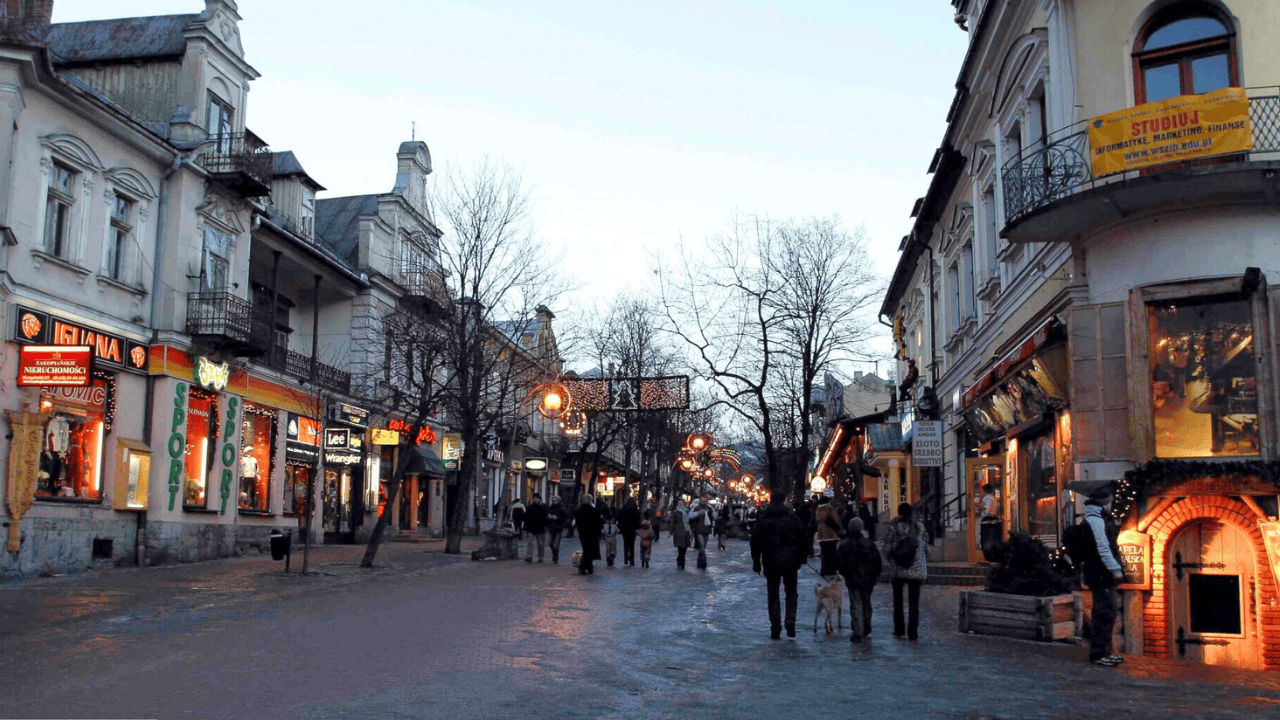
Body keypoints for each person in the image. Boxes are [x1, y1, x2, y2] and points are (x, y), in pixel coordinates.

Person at [750, 491, 810, 640]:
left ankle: (775, 627)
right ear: (784, 501)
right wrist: (802, 557)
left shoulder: (763, 519)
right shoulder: (792, 518)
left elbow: (755, 542)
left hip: (770, 561)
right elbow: (803, 538)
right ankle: (790, 622)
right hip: (790, 561)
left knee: (773, 594)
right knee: (791, 592)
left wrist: (756, 562)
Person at [1081, 485, 1126, 667]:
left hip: (1098, 572)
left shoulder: (1096, 518)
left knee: (1106, 612)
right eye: (1109, 502)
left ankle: (1106, 652)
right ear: (1104, 503)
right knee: (1104, 613)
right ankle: (1099, 654)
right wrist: (1115, 569)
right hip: (1100, 573)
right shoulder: (1096, 521)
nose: (1112, 505)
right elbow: (1103, 548)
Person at [836, 517, 882, 642]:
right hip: (868, 579)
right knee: (866, 602)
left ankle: (858, 630)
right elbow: (877, 562)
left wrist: (846, 573)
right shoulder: (869, 543)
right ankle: (866, 627)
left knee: (855, 604)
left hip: (852, 579)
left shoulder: (845, 545)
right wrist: (874, 575)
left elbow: (839, 563)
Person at [887, 502, 927, 640]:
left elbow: (888, 546)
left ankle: (899, 629)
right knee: (914, 602)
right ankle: (913, 632)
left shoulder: (894, 526)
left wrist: (892, 557)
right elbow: (924, 548)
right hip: (915, 568)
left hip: (898, 567)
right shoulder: (919, 527)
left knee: (898, 600)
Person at [814, 496, 842, 578]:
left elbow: (817, 520)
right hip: (831, 534)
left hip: (821, 535)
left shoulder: (818, 510)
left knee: (824, 553)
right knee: (832, 553)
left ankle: (824, 570)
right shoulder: (830, 508)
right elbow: (835, 519)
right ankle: (832, 570)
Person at [574, 495, 602, 575]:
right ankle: (583, 567)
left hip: (582, 532)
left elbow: (577, 521)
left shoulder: (579, 510)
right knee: (588, 551)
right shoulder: (593, 510)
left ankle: (589, 567)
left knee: (586, 549)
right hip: (592, 533)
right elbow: (598, 521)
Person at [688, 494, 713, 569]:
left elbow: (714, 516)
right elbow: (690, 516)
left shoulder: (709, 508)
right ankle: (703, 563)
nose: (703, 502)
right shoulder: (696, 508)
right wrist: (698, 513)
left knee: (703, 546)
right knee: (702, 545)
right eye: (702, 501)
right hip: (699, 530)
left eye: (704, 501)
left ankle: (699, 561)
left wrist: (710, 512)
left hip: (707, 530)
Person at [522, 494, 549, 563]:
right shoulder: (530, 507)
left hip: (540, 528)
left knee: (540, 543)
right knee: (530, 542)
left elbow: (546, 517)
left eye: (536, 498)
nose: (535, 499)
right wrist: (526, 527)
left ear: (540, 499)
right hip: (531, 527)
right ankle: (529, 556)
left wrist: (545, 525)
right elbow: (526, 517)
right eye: (534, 498)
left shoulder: (543, 507)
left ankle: (540, 557)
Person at [616, 498, 642, 567]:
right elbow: (638, 520)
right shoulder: (635, 510)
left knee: (626, 544)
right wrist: (638, 527)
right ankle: (632, 560)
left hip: (625, 529)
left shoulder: (623, 509)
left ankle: (626, 559)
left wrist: (620, 528)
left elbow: (619, 519)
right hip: (632, 529)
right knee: (631, 545)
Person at [979, 483, 1001, 562]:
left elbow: (987, 510)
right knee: (991, 538)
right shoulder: (993, 498)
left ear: (985, 491)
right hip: (992, 518)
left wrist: (979, 506)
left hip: (988, 519)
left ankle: (988, 556)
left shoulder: (988, 498)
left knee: (986, 538)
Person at [546, 495, 569, 564]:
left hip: (558, 528)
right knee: (550, 543)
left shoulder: (562, 508)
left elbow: (564, 518)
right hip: (551, 528)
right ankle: (554, 552)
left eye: (555, 500)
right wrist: (549, 518)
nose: (554, 502)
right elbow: (546, 516)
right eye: (553, 500)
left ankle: (555, 557)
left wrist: (557, 518)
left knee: (556, 544)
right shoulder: (550, 508)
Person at [670, 504, 693, 570]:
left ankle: (680, 559)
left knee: (684, 548)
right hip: (679, 532)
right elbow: (672, 522)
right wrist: (671, 531)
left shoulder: (687, 512)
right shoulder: (675, 512)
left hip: (686, 532)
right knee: (680, 548)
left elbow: (691, 521)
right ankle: (682, 562)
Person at [597, 497, 618, 567]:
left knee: (608, 548)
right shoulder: (614, 525)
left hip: (607, 537)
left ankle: (608, 557)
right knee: (613, 548)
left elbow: (603, 531)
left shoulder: (605, 524)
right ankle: (612, 555)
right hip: (612, 537)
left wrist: (602, 536)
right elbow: (617, 531)